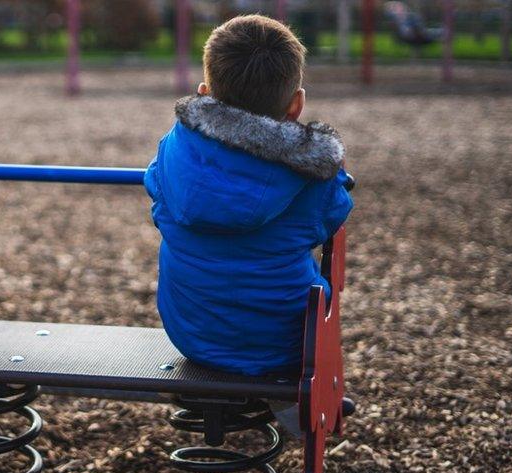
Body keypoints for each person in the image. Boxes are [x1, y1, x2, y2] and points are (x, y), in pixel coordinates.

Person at [144, 14, 354, 380]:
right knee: (314, 285)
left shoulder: (173, 150)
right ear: (296, 104)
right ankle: (293, 409)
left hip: (191, 334)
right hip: (285, 345)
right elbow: (333, 215)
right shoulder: (311, 174)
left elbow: (154, 185)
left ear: (204, 93)